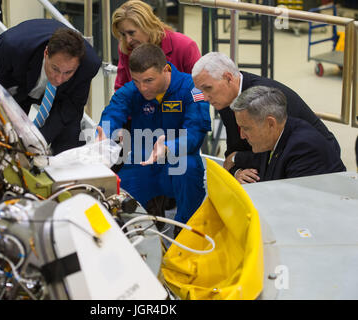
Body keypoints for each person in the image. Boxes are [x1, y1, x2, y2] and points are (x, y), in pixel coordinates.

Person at [96, 43, 211, 224]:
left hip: (178, 160)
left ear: (165, 69)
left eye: (149, 80)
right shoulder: (131, 91)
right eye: (136, 81)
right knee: (116, 197)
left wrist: (168, 147)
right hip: (143, 161)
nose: (143, 88)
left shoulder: (192, 88)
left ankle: (186, 228)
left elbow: (195, 131)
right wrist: (104, 136)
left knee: (188, 168)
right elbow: (113, 111)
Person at [192, 52, 341, 183]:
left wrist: (237, 158)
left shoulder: (268, 99)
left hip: (312, 168)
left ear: (228, 78)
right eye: (201, 91)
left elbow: (279, 154)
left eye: (208, 88)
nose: (204, 97)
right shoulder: (225, 99)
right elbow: (233, 150)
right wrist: (237, 172)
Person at [0, 19, 101, 155]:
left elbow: (70, 108)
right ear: (46, 53)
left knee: (68, 142)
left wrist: (38, 142)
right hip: (18, 87)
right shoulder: (12, 47)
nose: (58, 79)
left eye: (68, 72)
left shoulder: (89, 65)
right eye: (55, 68)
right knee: (4, 137)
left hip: (62, 99)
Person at [230, 86, 345, 182]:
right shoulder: (275, 135)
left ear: (270, 123)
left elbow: (292, 202)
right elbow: (257, 159)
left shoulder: (303, 148)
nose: (242, 136)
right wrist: (234, 162)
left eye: (246, 128)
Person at [112, 0, 201, 91]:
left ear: (147, 25)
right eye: (123, 34)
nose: (128, 40)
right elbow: (121, 88)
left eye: (131, 33)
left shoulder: (185, 47)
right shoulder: (126, 47)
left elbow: (199, 90)